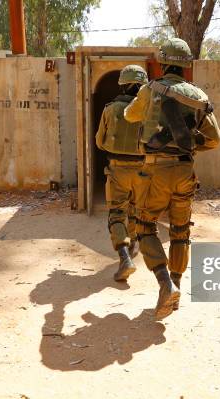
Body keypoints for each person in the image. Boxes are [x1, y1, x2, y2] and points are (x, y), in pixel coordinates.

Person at [124, 38, 220, 320]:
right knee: (181, 230)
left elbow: (131, 115)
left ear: (163, 62)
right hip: (184, 171)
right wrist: (189, 143)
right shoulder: (200, 97)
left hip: (155, 170)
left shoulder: (150, 89)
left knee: (145, 227)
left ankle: (165, 284)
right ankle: (176, 285)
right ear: (186, 66)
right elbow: (214, 140)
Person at [95, 65, 149, 282]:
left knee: (117, 213)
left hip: (117, 168)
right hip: (143, 170)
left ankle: (124, 255)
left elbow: (100, 142)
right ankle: (133, 245)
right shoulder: (149, 110)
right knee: (136, 211)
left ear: (123, 84)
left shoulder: (110, 109)